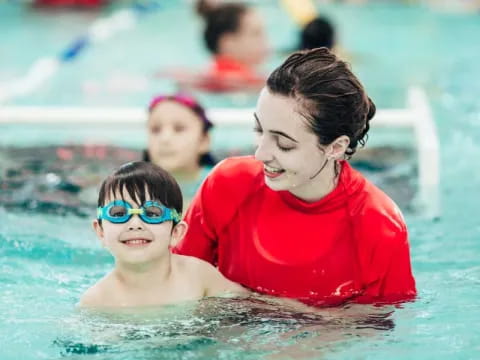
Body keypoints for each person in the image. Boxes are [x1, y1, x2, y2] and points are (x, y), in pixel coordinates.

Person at [174, 47, 417, 307]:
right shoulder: (227, 184)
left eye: (284, 144)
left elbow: (378, 327)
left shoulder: (379, 225)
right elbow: (176, 280)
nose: (261, 154)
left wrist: (258, 306)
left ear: (335, 147)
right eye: (260, 131)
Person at [79, 161, 246, 308]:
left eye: (152, 213)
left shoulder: (197, 275)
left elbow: (249, 306)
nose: (135, 225)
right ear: (100, 231)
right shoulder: (97, 302)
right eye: (118, 213)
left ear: (176, 232)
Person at [143, 94, 215, 208]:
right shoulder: (133, 189)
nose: (164, 139)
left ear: (204, 140)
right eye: (155, 130)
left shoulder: (221, 186)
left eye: (179, 129)